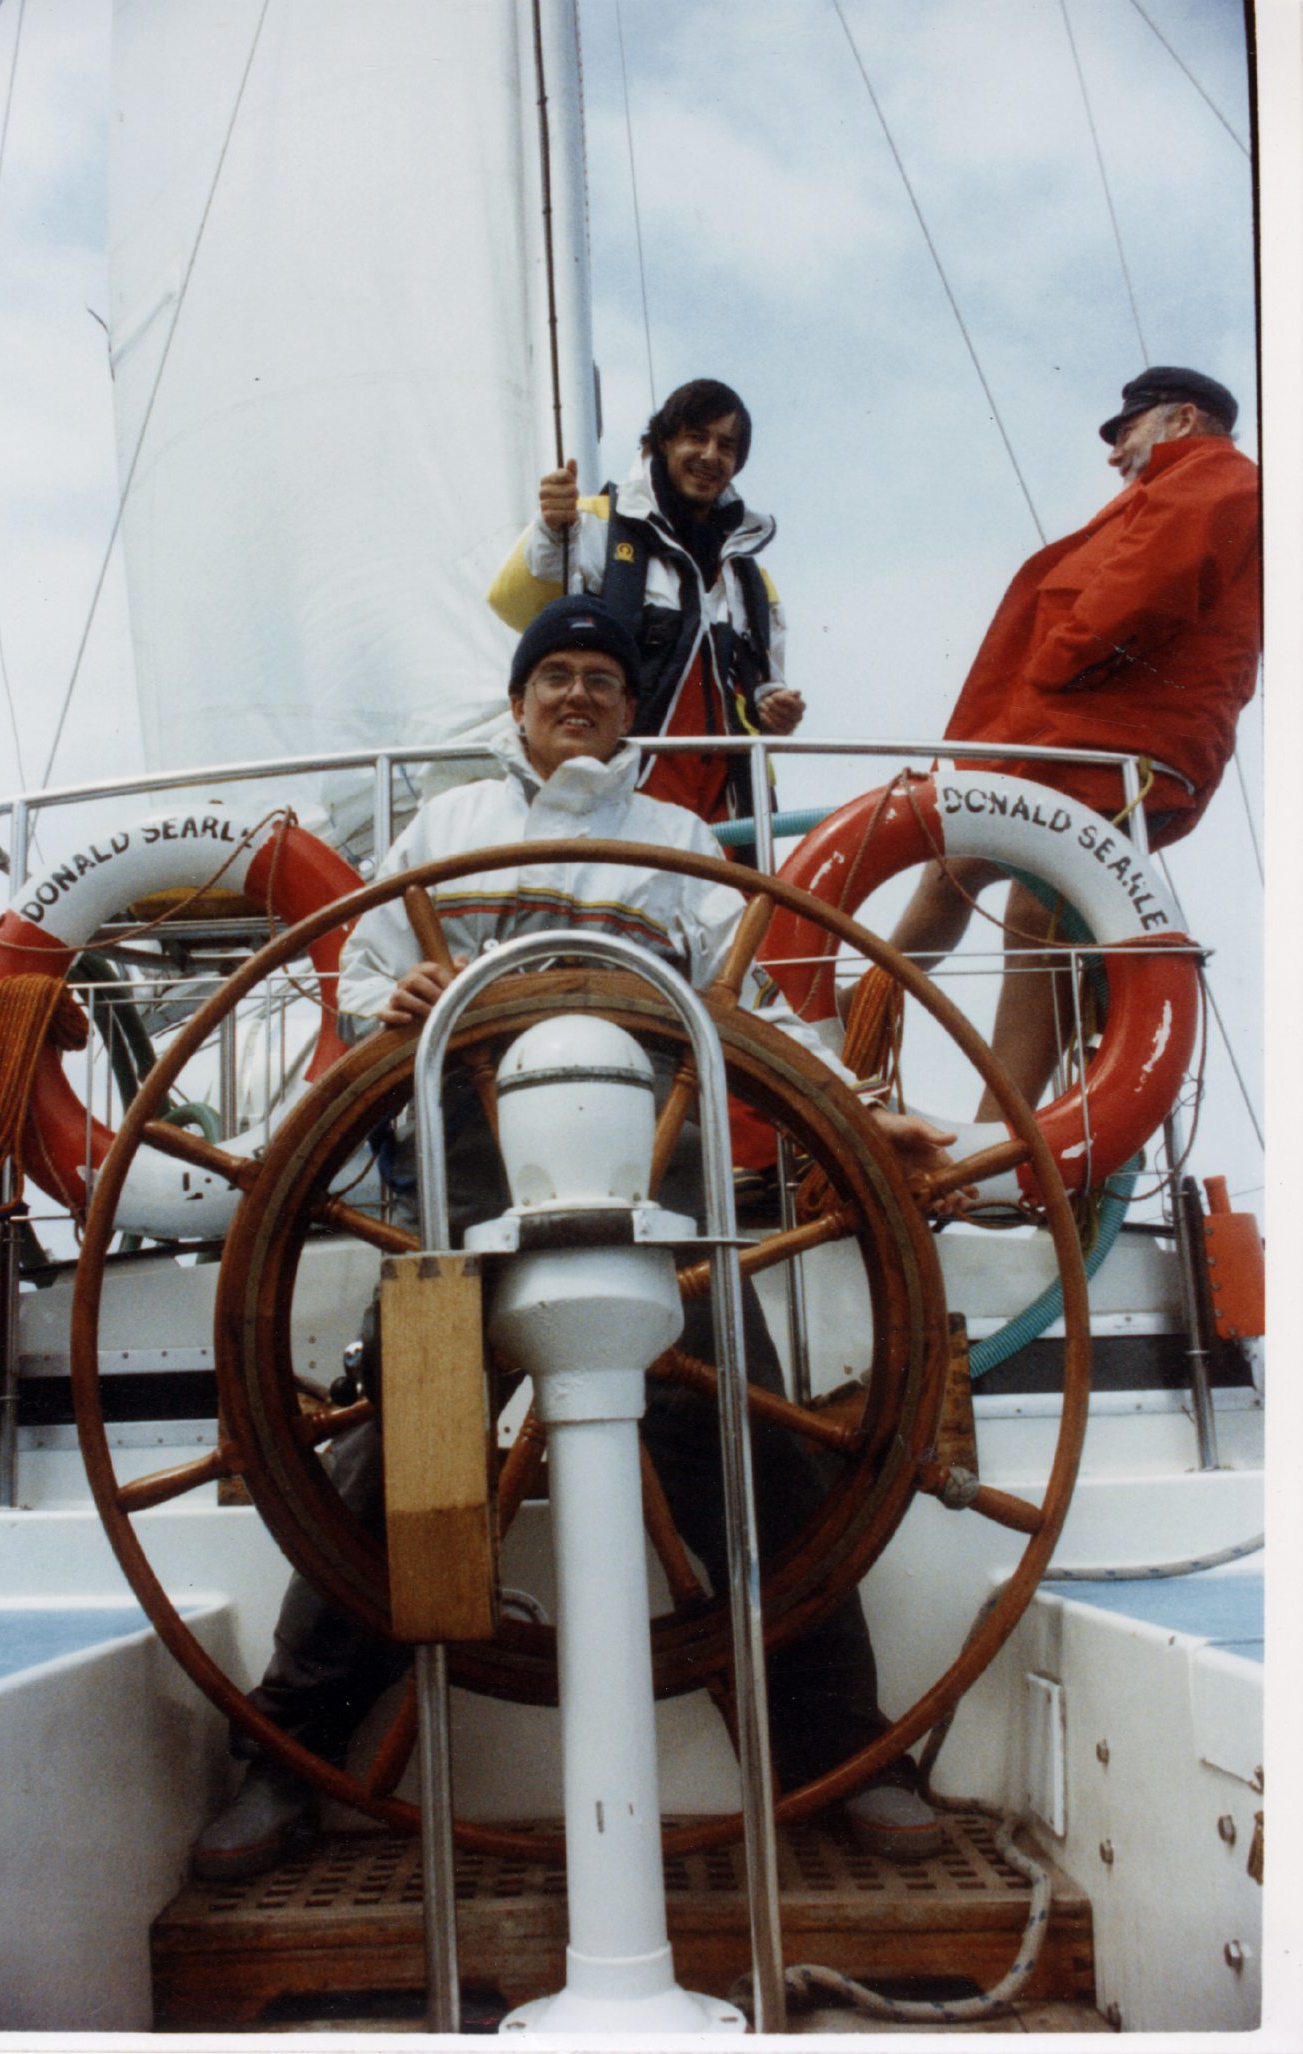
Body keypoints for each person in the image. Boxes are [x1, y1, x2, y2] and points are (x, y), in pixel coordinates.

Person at [192, 598, 957, 1882]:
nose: (581, 696)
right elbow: (364, 977)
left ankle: (844, 1754)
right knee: (402, 1462)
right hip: (469, 1168)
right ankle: (289, 1759)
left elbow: (763, 1010)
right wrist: (404, 992)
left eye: (603, 678)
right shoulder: (446, 831)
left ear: (628, 708)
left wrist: (878, 1115)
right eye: (556, 677)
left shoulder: (674, 839)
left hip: (669, 1180)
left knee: (754, 1447)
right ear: (519, 706)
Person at [882, 366, 1260, 1114]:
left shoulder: (1220, 480)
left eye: (1126, 431)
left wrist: (1054, 660)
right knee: (950, 869)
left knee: (1038, 910)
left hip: (1115, 752)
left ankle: (1000, 1148)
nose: (1115, 453)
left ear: (1182, 420)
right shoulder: (1174, 490)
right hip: (1066, 743)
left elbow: (1148, 587)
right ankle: (849, 1012)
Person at [487, 378, 804, 827]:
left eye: (727, 446)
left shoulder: (751, 576)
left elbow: (766, 688)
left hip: (735, 804)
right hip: (627, 795)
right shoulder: (596, 524)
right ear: (663, 441)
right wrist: (551, 524)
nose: (711, 455)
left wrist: (777, 710)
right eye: (697, 437)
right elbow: (516, 602)